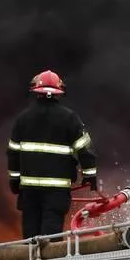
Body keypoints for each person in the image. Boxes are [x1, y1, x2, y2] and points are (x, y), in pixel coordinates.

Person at [7, 70, 98, 239]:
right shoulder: (69, 118)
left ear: (36, 91)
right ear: (58, 92)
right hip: (56, 192)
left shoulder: (23, 119)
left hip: (29, 191)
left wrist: (14, 180)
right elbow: (85, 149)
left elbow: (12, 153)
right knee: (51, 238)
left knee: (30, 236)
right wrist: (89, 176)